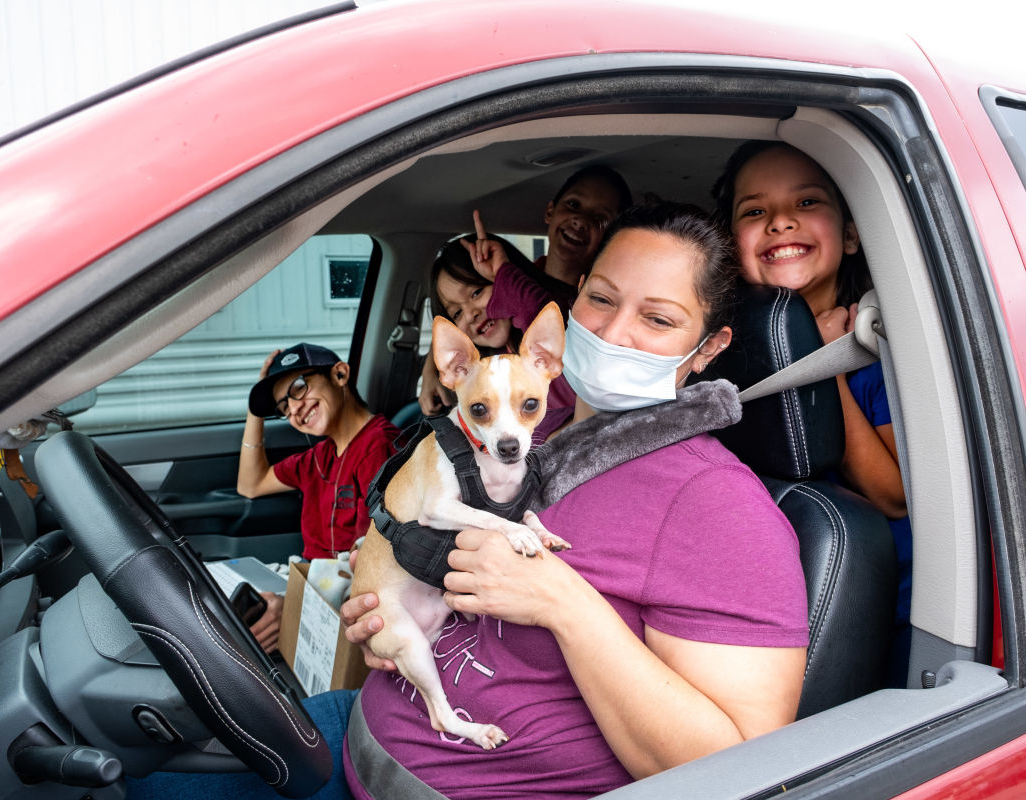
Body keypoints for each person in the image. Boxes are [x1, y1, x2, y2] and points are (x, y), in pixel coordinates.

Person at [126, 202, 808, 800]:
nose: (614, 333)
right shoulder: (532, 418)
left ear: (708, 347)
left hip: (466, 778)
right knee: (139, 764)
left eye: (658, 318)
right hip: (365, 723)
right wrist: (386, 592)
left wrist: (562, 602)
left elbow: (736, 768)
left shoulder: (719, 507)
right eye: (600, 300)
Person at [712, 140, 912, 681]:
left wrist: (827, 365)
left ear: (849, 235)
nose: (780, 222)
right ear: (733, 246)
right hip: (767, 600)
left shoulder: (878, 354)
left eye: (806, 203)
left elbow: (894, 496)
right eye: (755, 211)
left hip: (882, 616)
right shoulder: (720, 356)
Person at [236, 342, 399, 652]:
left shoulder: (378, 447)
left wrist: (295, 608)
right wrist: (255, 411)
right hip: (315, 589)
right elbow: (250, 484)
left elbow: (375, 564)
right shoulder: (317, 459)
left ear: (339, 375)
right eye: (284, 407)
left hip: (348, 608)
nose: (294, 408)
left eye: (299, 388)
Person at [418, 220, 576, 442]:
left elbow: (536, 312)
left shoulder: (548, 347)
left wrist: (503, 270)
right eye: (456, 313)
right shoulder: (483, 372)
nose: (471, 313)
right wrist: (432, 369)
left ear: (505, 283)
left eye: (476, 292)